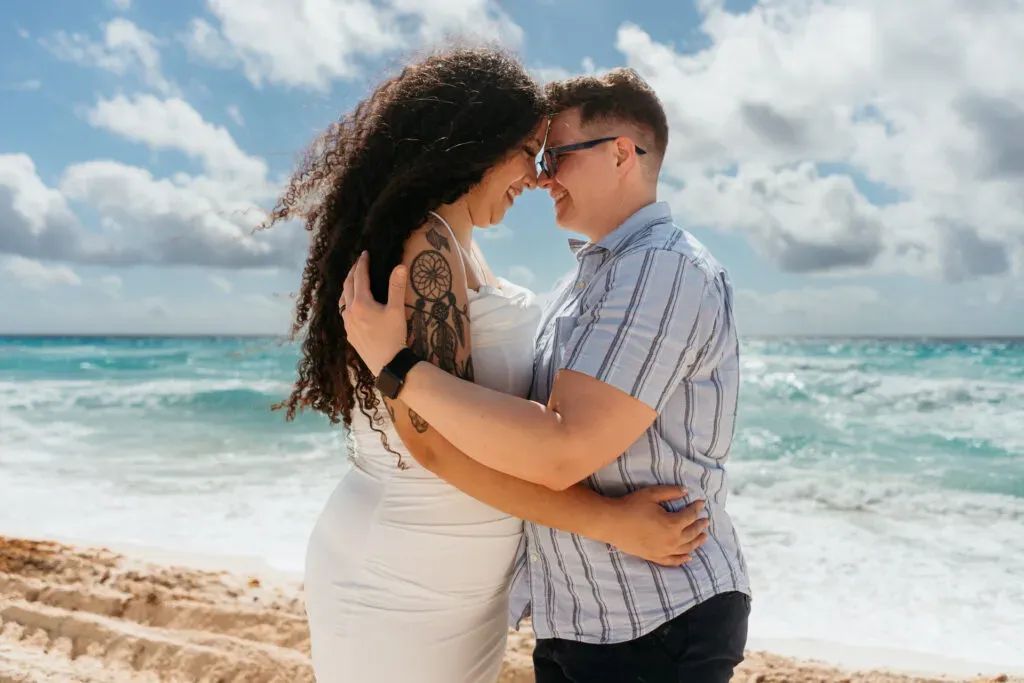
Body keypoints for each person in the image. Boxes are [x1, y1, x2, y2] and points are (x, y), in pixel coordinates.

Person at [263, 47, 710, 683]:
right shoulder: (425, 250)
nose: (535, 177)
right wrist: (609, 522)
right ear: (473, 145)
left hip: (462, 570)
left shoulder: (461, 246)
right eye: (528, 151)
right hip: (406, 572)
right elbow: (438, 449)